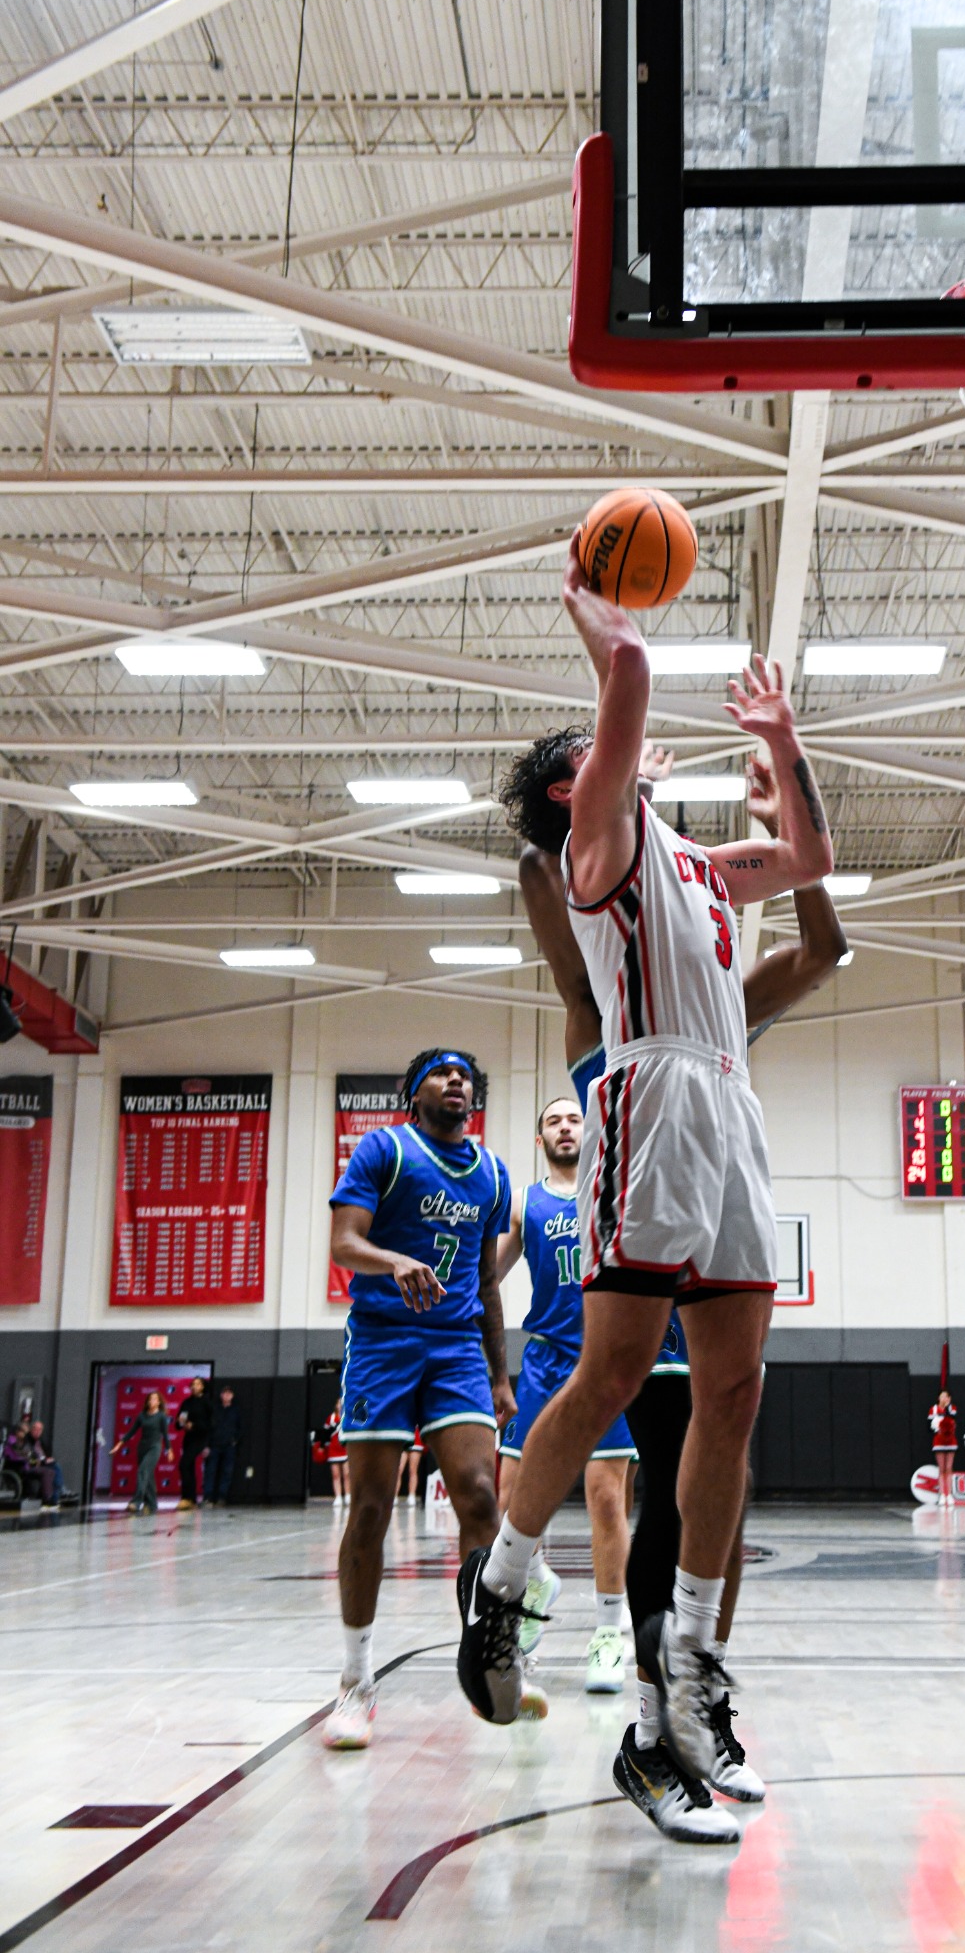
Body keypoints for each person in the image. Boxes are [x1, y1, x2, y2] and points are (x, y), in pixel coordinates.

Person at [457, 539, 832, 1798]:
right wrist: (598, 612)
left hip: (731, 1107)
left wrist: (781, 741)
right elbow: (627, 674)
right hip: (650, 1094)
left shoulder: (700, 868)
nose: (615, 753)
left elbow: (812, 865)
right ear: (577, 790)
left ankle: (690, 1677)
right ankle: (504, 1583)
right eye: (593, 757)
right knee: (614, 1368)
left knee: (735, 1392)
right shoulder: (596, 852)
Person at [505, 739, 844, 1838]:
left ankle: (688, 1710)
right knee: (641, 1513)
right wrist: (588, 809)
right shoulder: (601, 1016)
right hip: (633, 1257)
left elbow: (822, 945)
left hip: (707, 1214)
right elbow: (548, 875)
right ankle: (637, 1712)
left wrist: (785, 829)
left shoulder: (718, 1012)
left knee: (717, 1507)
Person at [324, 1047, 518, 1750]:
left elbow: (488, 1282)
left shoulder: (492, 1172)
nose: (456, 1079)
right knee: (371, 1507)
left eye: (464, 1072)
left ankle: (488, 1658)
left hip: (458, 1346)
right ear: (414, 1092)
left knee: (480, 1496)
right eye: (441, 1071)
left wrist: (500, 1374)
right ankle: (355, 1680)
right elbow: (344, 1242)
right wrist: (394, 1260)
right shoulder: (385, 1149)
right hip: (382, 1342)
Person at [497, 1094, 638, 1696]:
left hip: (606, 1358)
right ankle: (536, 1578)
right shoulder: (523, 1201)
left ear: (591, 1130)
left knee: (605, 1497)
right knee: (510, 1495)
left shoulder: (616, 1192)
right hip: (544, 1361)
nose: (564, 1127)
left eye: (573, 1119)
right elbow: (484, 1279)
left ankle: (608, 1634)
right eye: (552, 1121)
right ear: (540, 1139)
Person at [112, 1390, 171, 1514]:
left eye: (154, 1399)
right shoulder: (142, 1415)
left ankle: (136, 1501)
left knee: (143, 1470)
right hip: (142, 1447)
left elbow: (165, 1434)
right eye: (150, 1399)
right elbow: (131, 1431)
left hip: (154, 1447)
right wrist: (119, 1444)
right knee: (148, 1476)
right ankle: (152, 1504)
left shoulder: (161, 1416)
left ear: (159, 1402)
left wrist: (169, 1449)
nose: (152, 1401)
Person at [175, 1377, 213, 1510]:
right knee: (188, 1467)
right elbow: (180, 1422)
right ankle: (191, 1499)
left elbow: (211, 1424)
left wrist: (195, 1425)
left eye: (197, 1384)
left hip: (201, 1438)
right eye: (193, 1384)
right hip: (189, 1438)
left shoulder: (207, 1402)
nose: (194, 1386)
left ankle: (187, 1497)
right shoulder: (187, 1402)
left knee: (184, 1464)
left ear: (202, 1387)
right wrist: (181, 1423)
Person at [205, 1386, 241, 1506]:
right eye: (225, 1393)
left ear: (232, 1396)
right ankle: (208, 1497)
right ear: (221, 1395)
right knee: (211, 1471)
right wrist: (207, 1444)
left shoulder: (235, 1410)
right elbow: (209, 1428)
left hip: (229, 1445)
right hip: (214, 1445)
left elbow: (240, 1427)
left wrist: (235, 1440)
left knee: (227, 1471)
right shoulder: (215, 1409)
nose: (227, 1395)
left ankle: (222, 1496)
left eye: (229, 1393)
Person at [929, 1390, 958, 1509]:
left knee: (949, 1468)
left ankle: (949, 1494)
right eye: (942, 1396)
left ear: (949, 1398)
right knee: (941, 1468)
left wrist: (947, 1407)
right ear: (938, 1398)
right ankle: (942, 1494)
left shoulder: (952, 1408)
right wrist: (939, 1429)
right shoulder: (933, 1409)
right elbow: (930, 1425)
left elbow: (953, 1418)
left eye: (946, 1396)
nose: (944, 1398)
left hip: (951, 1440)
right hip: (939, 1440)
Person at [397, 1430, 423, 1507]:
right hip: (404, 1439)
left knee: (413, 1470)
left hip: (416, 1441)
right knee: (399, 1470)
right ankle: (394, 1496)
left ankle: (412, 1495)